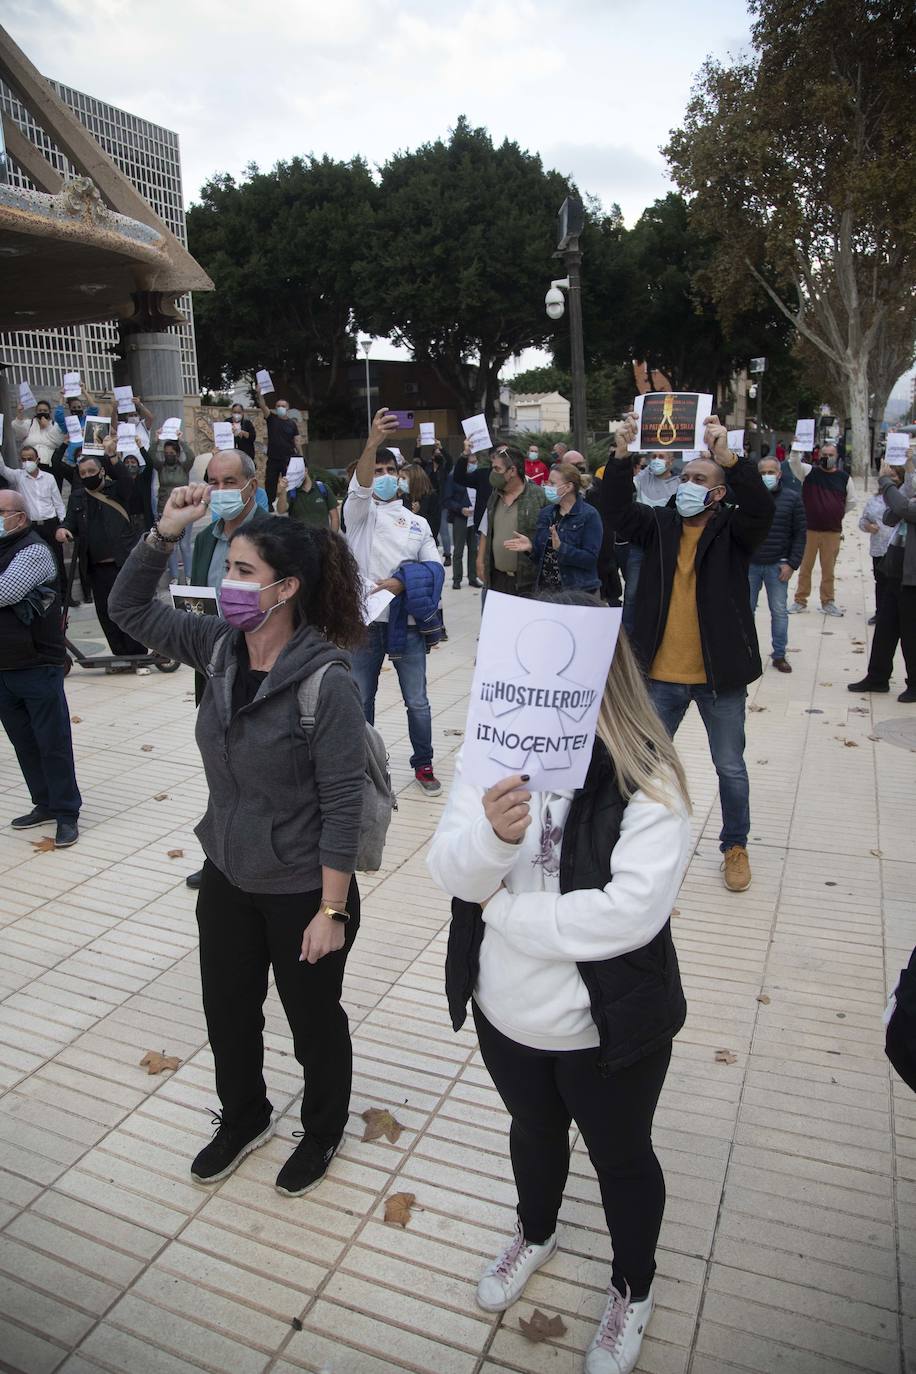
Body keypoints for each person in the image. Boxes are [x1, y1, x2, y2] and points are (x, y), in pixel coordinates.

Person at [427, 607, 691, 1374]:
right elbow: (449, 870)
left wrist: (504, 907)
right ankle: (535, 1232)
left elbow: (629, 914)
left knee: (620, 1156)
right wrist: (494, 837)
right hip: (504, 1011)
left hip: (606, 1027)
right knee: (533, 1132)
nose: (537, 689)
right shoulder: (493, 756)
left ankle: (631, 1289)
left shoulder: (648, 771)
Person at [108, 494, 368, 1195]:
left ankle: (321, 1130)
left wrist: (332, 911)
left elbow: (343, 805)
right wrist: (163, 532)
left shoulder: (326, 682)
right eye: (229, 566)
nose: (228, 582)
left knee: (313, 1025)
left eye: (243, 571)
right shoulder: (218, 646)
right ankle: (245, 1115)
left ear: (284, 589)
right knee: (227, 1012)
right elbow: (128, 610)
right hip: (227, 872)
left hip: (304, 890)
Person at [597, 414, 773, 893]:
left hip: (720, 680)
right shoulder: (657, 526)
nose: (688, 484)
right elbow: (612, 508)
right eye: (686, 477)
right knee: (640, 763)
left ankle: (734, 846)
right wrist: (620, 454)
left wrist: (729, 459)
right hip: (660, 677)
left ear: (717, 493)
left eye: (700, 479)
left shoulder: (734, 531)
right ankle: (622, 841)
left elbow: (762, 508)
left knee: (730, 767)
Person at [344, 411, 443, 795]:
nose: (384, 476)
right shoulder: (359, 514)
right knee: (360, 698)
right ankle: (364, 766)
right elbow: (362, 487)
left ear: (401, 476)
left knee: (417, 701)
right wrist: (371, 443)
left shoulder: (417, 523)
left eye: (391, 470)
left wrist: (402, 582)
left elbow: (435, 569)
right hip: (364, 625)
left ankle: (424, 764)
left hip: (408, 626)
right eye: (377, 469)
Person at [0, 490, 81, 848]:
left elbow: (5, 591)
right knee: (24, 742)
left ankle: (67, 813)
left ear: (19, 516)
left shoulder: (33, 550)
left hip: (37, 664)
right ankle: (44, 802)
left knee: (52, 742)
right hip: (5, 666)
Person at [57, 451, 147, 669]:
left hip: (123, 563)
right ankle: (120, 654)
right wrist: (62, 530)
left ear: (102, 471)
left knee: (128, 608)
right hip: (96, 568)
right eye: (83, 472)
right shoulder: (78, 497)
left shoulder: (117, 489)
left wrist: (114, 457)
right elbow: (70, 522)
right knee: (105, 612)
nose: (87, 475)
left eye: (91, 471)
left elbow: (127, 480)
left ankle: (138, 653)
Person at [849, 458, 916, 703]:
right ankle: (877, 677)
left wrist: (886, 481)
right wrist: (907, 477)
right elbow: (890, 516)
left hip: (913, 579)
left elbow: (904, 510)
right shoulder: (909, 497)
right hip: (894, 572)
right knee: (885, 629)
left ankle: (915, 683)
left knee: (911, 634)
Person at [504, 463, 602, 595]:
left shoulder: (589, 515)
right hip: (547, 590)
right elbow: (542, 557)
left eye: (552, 483)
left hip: (578, 591)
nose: (546, 487)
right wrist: (530, 548)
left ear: (568, 487)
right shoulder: (546, 513)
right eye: (546, 482)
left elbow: (590, 559)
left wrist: (562, 548)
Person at [747, 457, 807, 673]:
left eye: (771, 471)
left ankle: (779, 655)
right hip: (750, 565)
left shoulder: (792, 499)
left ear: (780, 474)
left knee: (779, 611)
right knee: (746, 610)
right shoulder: (749, 498)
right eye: (762, 472)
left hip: (778, 565)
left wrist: (792, 564)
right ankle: (747, 652)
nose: (767, 476)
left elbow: (800, 534)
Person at [787, 442, 855, 616]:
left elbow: (851, 502)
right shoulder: (809, 472)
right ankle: (800, 600)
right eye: (824, 454)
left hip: (832, 531)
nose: (827, 458)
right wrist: (796, 446)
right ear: (819, 455)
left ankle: (828, 602)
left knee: (828, 569)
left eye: (831, 455)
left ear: (837, 456)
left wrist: (836, 512)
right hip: (809, 530)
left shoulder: (844, 478)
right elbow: (793, 462)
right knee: (805, 567)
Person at [476, 446, 547, 598]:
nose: (493, 473)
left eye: (497, 469)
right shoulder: (495, 496)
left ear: (512, 471)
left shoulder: (538, 497)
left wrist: (532, 547)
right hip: (496, 580)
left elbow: (549, 541)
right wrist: (480, 560)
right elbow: (486, 530)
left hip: (526, 584)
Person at [622, 452, 681, 634]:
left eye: (662, 456)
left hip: (667, 545)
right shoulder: (642, 478)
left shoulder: (680, 482)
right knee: (632, 593)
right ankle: (626, 636)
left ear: (671, 461)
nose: (656, 460)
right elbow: (625, 486)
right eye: (654, 455)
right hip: (640, 544)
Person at [0, 445, 67, 589]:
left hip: (50, 524)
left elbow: (58, 502)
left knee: (58, 559)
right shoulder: (18, 476)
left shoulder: (49, 478)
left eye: (29, 459)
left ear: (38, 459)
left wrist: (63, 523)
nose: (26, 462)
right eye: (23, 459)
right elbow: (3, 469)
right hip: (32, 526)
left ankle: (65, 594)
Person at [149, 429, 196, 583]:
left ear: (177, 453)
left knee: (184, 545)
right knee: (170, 545)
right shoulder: (161, 467)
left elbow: (191, 456)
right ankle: (174, 576)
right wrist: (156, 441)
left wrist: (182, 441)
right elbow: (150, 456)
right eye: (166, 452)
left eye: (172, 452)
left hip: (184, 510)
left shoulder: (184, 467)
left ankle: (189, 575)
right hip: (165, 510)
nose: (169, 454)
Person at [859, 478, 899, 625]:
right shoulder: (874, 500)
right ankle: (880, 613)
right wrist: (869, 527)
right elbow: (863, 521)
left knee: (895, 582)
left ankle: (896, 614)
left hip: (897, 548)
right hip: (879, 548)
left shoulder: (903, 499)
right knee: (880, 581)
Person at [255, 386, 301, 506]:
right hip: (273, 459)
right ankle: (269, 504)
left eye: (283, 406)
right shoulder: (272, 419)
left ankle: (290, 504)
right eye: (278, 406)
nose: (281, 408)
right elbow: (262, 406)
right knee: (270, 482)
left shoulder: (292, 424)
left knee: (289, 483)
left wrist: (300, 457)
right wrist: (259, 394)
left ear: (288, 408)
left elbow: (296, 441)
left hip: (288, 459)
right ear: (275, 408)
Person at [442, 465, 480, 590]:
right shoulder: (453, 478)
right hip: (460, 517)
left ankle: (473, 577)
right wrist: (460, 509)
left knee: (474, 549)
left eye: (475, 461)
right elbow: (447, 500)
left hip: (474, 517)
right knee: (458, 550)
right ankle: (457, 579)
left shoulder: (476, 477)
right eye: (470, 462)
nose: (472, 465)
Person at [276, 464, 340, 531]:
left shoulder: (323, 488)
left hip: (322, 539)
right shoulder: (291, 492)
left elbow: (334, 517)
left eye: (297, 473)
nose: (295, 477)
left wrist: (332, 539)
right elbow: (281, 510)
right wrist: (283, 491)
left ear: (305, 470)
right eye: (291, 474)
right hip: (300, 539)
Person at [12, 398, 66, 470]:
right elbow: (19, 429)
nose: (42, 412)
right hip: (30, 463)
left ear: (49, 412)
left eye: (45, 411)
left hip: (51, 464)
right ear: (36, 412)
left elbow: (59, 442)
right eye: (40, 411)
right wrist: (19, 414)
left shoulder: (54, 425)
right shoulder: (30, 423)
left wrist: (48, 426)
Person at [53, 386, 99, 472]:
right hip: (72, 459)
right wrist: (62, 397)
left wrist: (84, 391)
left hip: (89, 455)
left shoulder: (87, 420)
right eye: (74, 408)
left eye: (79, 407)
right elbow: (58, 415)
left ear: (82, 408)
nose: (77, 409)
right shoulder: (68, 422)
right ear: (70, 409)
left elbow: (94, 408)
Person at [401, 463, 441, 536]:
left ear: (414, 479)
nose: (400, 481)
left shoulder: (431, 497)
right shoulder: (404, 497)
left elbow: (434, 526)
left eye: (403, 478)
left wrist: (419, 512)